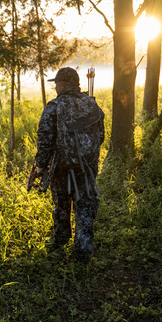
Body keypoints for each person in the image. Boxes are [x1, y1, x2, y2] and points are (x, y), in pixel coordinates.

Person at [33, 67, 105, 262]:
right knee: (85, 205)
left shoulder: (54, 106)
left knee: (61, 203)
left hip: (62, 167)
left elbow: (45, 139)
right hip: (87, 166)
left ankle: (61, 239)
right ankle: (83, 250)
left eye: (56, 83)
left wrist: (40, 165)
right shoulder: (92, 104)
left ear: (63, 84)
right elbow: (101, 135)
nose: (55, 87)